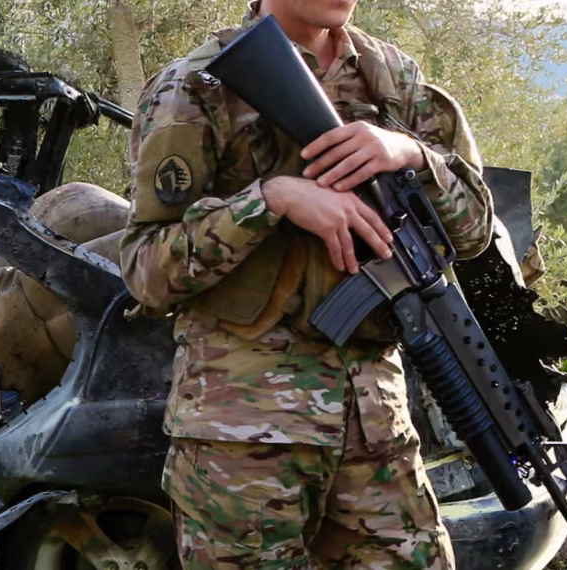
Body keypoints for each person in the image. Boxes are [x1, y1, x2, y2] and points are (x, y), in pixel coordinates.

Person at [119, 0, 495, 568]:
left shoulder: (394, 79)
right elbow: (146, 268)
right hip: (242, 437)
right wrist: (270, 200)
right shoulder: (197, 85)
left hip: (376, 430)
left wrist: (411, 154)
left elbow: (474, 235)